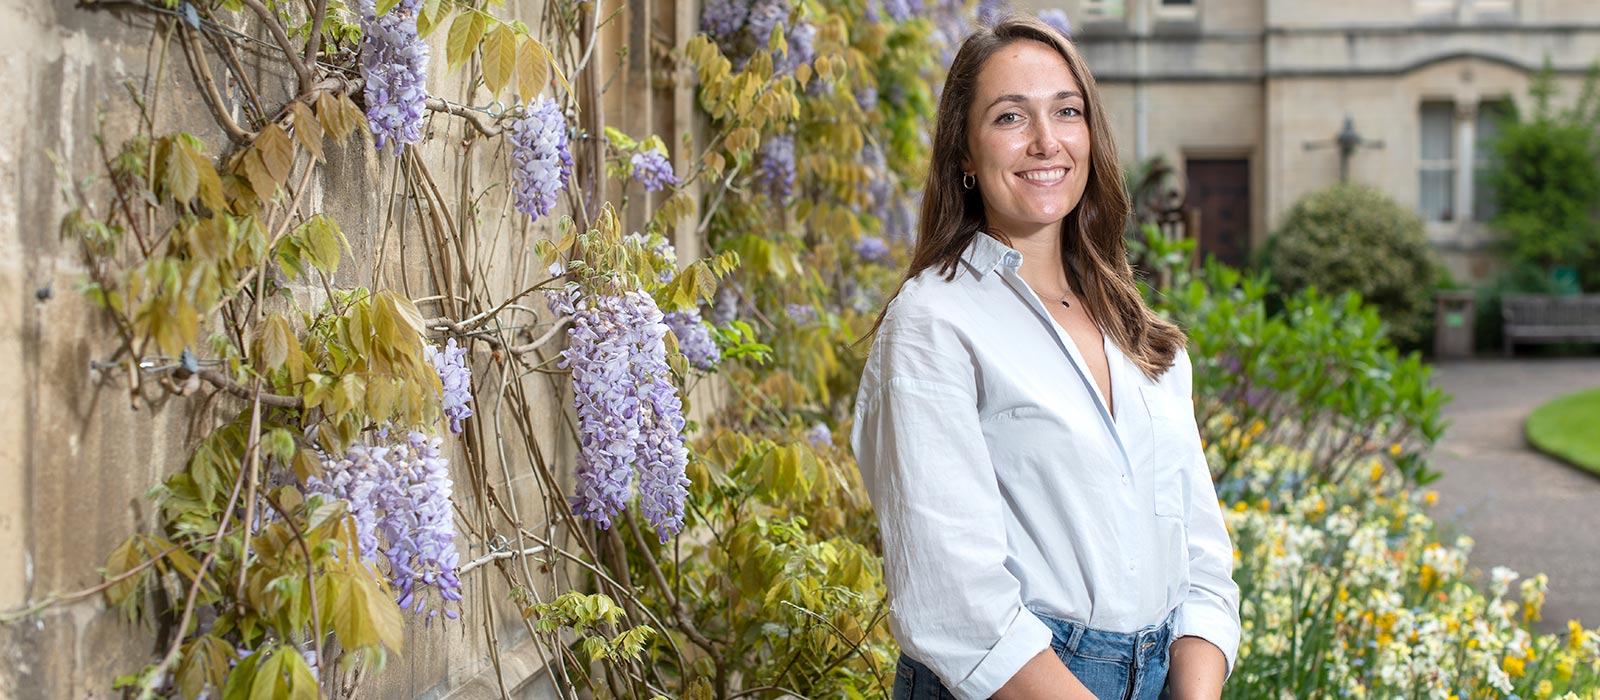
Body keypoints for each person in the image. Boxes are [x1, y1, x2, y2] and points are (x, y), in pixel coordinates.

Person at [848, 17, 1241, 700]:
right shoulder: (935, 323)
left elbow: (1201, 563)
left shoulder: (1140, 334)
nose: (1046, 141)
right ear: (964, 154)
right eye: (1009, 117)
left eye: (1067, 111)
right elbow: (955, 601)